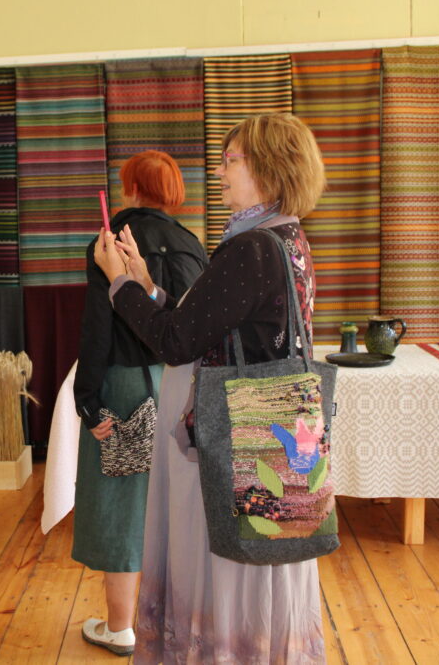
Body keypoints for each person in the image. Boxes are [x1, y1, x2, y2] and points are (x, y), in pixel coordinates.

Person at [94, 113, 328, 663]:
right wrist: (148, 285)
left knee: (231, 558)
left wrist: (120, 284)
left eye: (231, 161)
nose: (219, 171)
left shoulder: (250, 248)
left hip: (238, 438)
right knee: (263, 557)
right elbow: (206, 325)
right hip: (276, 433)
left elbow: (176, 342)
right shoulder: (288, 236)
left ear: (268, 167)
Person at [73, 151, 207, 656]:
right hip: (181, 386)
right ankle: (175, 622)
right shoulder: (192, 245)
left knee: (122, 506)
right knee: (178, 505)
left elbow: (98, 328)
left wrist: (87, 399)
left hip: (125, 385)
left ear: (130, 188)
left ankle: (121, 627)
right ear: (173, 192)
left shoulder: (109, 243)